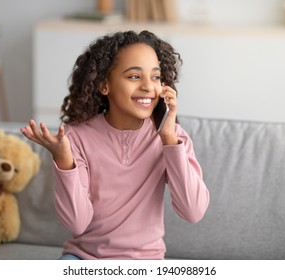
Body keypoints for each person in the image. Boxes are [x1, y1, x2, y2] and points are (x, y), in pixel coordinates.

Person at [20, 30, 209, 260]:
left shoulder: (172, 137)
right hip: (84, 258)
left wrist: (169, 139)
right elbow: (77, 223)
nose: (149, 87)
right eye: (134, 77)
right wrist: (64, 160)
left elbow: (193, 211)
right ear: (104, 85)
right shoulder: (77, 136)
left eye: (156, 77)